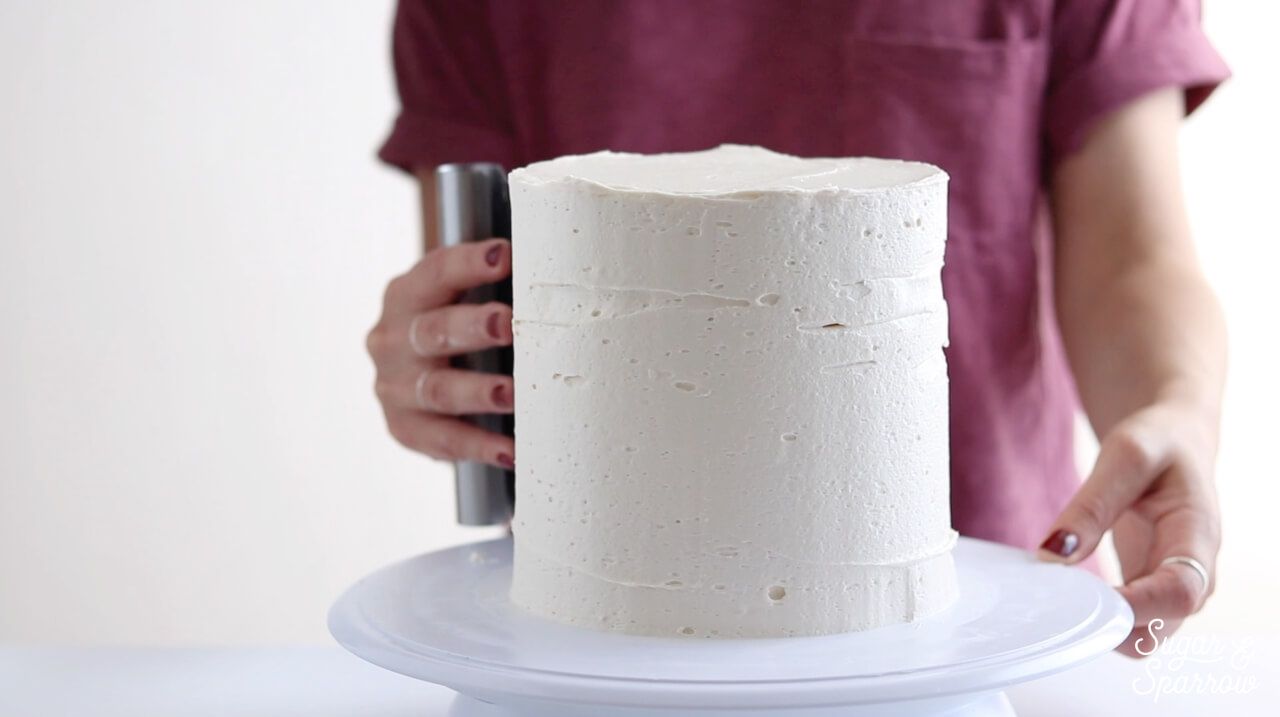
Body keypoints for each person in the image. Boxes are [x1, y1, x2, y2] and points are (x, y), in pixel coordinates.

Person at [364, 0, 1230, 658]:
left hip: (975, 621)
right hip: (604, 647)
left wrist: (1174, 408)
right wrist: (445, 365)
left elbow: (1133, 258)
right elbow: (490, 297)